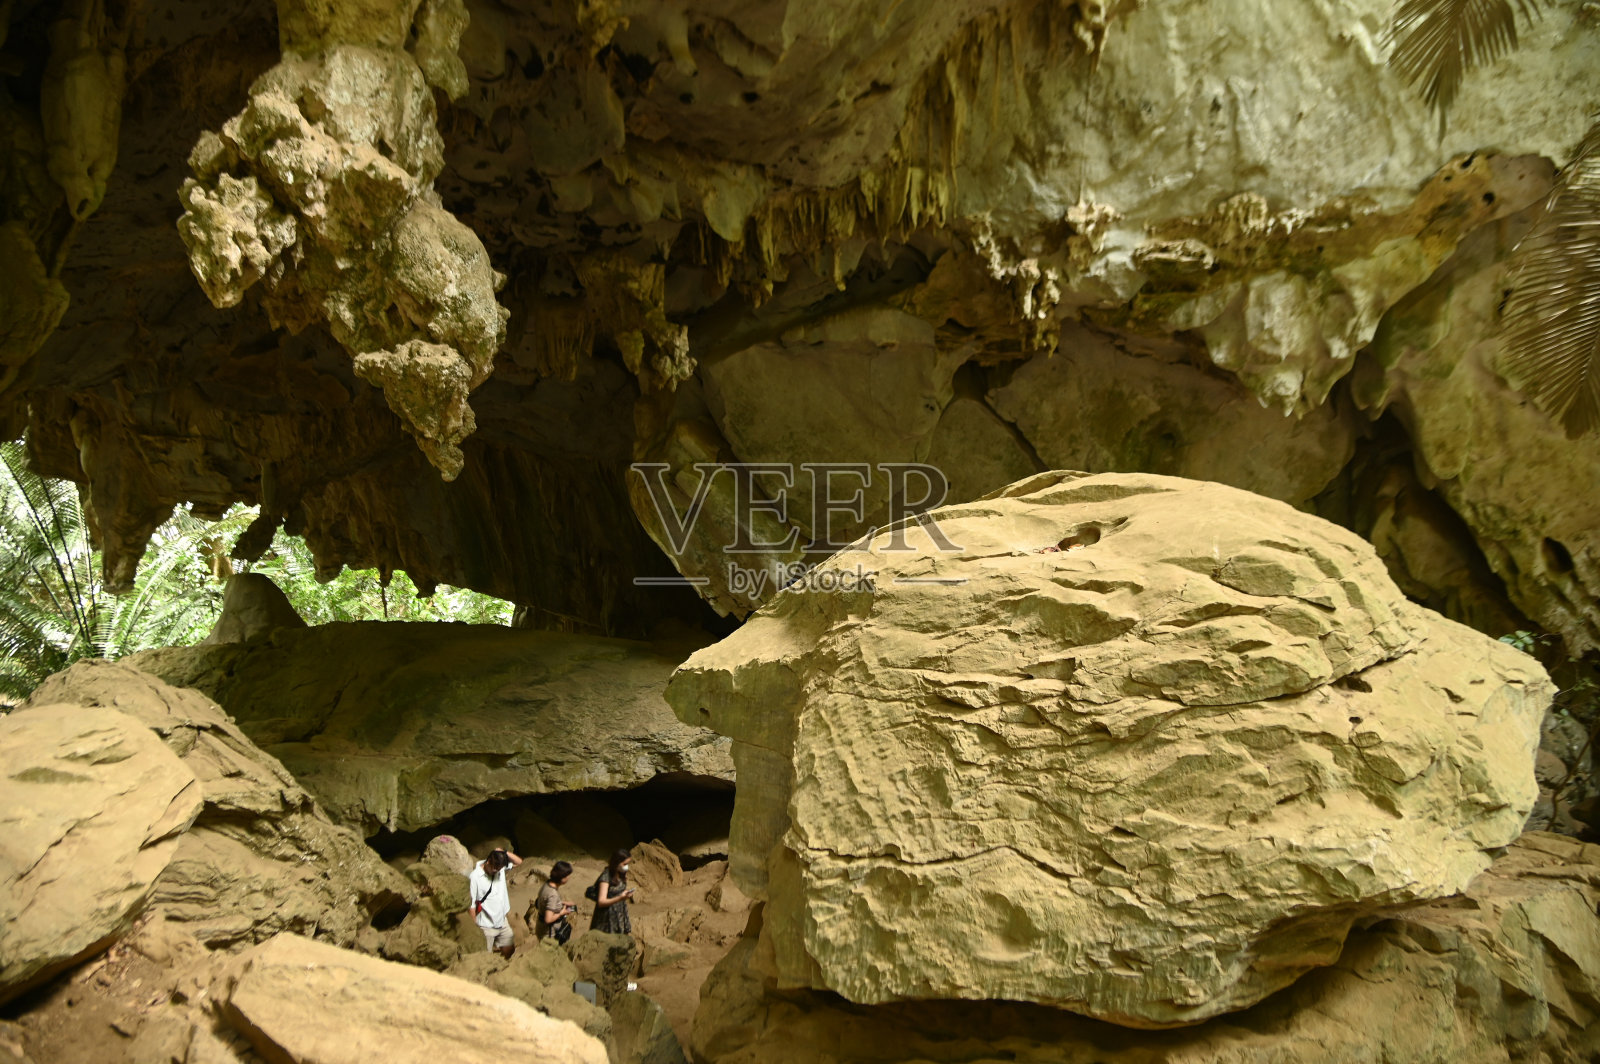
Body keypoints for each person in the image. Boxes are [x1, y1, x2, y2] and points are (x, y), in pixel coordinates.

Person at [468, 847, 522, 957]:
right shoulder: (475, 877)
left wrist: (504, 852)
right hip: (486, 925)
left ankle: (501, 966)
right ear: (488, 862)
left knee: (509, 949)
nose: (496, 871)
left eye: (499, 869)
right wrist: (475, 928)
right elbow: (471, 905)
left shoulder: (499, 867)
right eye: (494, 869)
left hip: (501, 921)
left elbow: (519, 862)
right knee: (484, 956)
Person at [588, 848, 635, 935]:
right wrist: (620, 897)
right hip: (606, 918)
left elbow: (617, 890)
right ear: (617, 862)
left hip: (620, 914)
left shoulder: (620, 873)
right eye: (625, 864)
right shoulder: (606, 876)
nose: (627, 866)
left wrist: (626, 893)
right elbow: (601, 902)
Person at [532, 860, 578, 944]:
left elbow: (543, 901)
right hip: (549, 934)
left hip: (540, 927)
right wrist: (561, 912)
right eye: (568, 876)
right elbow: (548, 919)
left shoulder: (547, 884)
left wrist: (562, 903)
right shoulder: (553, 894)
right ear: (562, 878)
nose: (569, 878)